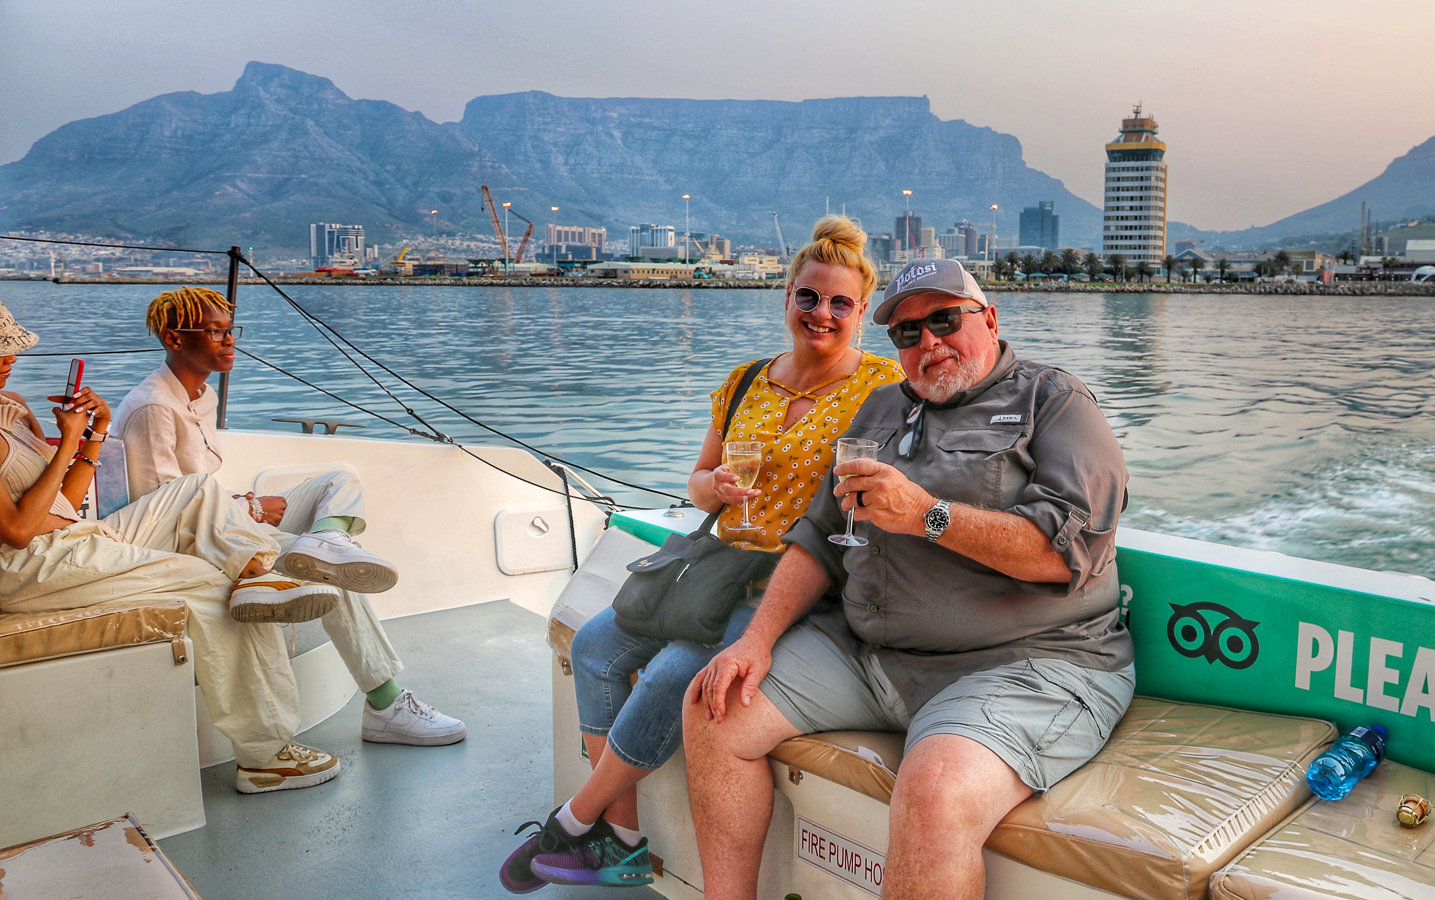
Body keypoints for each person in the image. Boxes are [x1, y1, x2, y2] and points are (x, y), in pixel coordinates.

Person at [682, 258, 1134, 900]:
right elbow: (818, 538)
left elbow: (1068, 551)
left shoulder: (1053, 399)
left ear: (989, 319)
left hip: (1027, 663)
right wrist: (755, 641)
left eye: (945, 320)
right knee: (715, 705)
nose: (928, 341)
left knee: (936, 790)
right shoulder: (880, 409)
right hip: (871, 656)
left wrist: (928, 515)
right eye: (906, 331)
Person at [500, 217, 903, 893]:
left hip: (797, 581)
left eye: (841, 303)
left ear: (862, 313)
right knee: (594, 645)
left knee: (674, 675)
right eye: (809, 297)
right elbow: (696, 480)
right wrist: (712, 487)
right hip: (718, 566)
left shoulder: (883, 389)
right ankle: (623, 839)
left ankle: (574, 819)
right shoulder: (745, 380)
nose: (822, 314)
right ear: (787, 298)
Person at [0, 300, 349, 794]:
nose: (10, 359)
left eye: (11, 348)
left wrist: (94, 435)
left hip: (74, 537)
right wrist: (67, 444)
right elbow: (17, 531)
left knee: (196, 489)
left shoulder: (11, 407)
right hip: (32, 566)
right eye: (0, 351)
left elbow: (65, 504)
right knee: (211, 584)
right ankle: (266, 756)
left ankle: (257, 572)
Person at [108, 286, 465, 754]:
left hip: (221, 519)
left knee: (339, 479)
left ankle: (328, 540)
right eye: (214, 332)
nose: (229, 341)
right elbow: (165, 506)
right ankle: (385, 705)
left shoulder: (202, 396)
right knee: (329, 572)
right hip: (191, 540)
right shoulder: (153, 407)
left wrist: (244, 505)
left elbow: (201, 488)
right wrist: (251, 509)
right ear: (174, 339)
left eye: (230, 330)